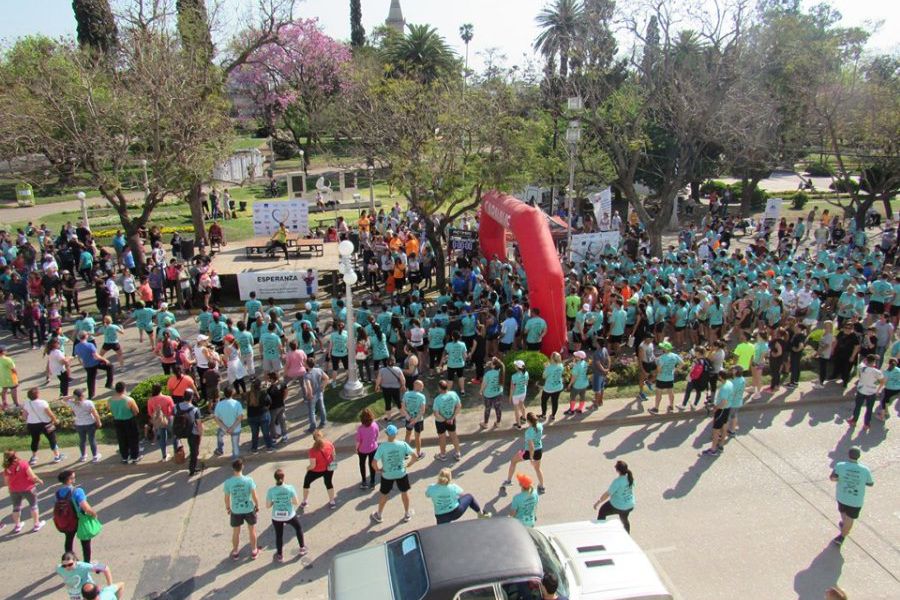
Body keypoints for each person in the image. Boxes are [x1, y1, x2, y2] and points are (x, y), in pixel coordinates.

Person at [370, 424, 419, 523]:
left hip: (387, 475)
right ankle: (407, 514)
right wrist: (409, 464)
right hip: (401, 473)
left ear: (387, 434)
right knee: (404, 493)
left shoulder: (382, 447)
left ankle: (379, 515)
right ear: (396, 433)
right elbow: (415, 456)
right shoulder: (402, 444)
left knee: (384, 495)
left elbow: (373, 463)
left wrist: (378, 470)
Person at [830, 446, 874, 547]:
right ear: (859, 456)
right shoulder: (865, 470)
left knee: (843, 513)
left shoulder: (840, 465)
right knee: (850, 518)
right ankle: (842, 537)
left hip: (842, 496)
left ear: (848, 455)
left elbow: (833, 478)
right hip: (856, 500)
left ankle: (843, 529)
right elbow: (870, 483)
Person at [56, 470, 98, 561]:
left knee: (69, 540)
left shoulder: (59, 492)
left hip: (68, 520)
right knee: (85, 542)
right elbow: (85, 507)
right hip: (79, 519)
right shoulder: (77, 491)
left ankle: (70, 560)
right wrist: (93, 514)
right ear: (69, 480)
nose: (74, 479)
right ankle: (86, 563)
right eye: (73, 477)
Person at [266, 468, 307, 562]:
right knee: (298, 528)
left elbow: (268, 506)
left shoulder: (271, 490)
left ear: (275, 478)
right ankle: (302, 548)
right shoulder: (290, 488)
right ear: (283, 478)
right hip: (289, 515)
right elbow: (296, 502)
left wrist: (274, 502)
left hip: (276, 516)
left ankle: (280, 555)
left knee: (279, 535)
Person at [224, 458, 260, 560]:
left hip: (236, 510)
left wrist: (228, 508)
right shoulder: (249, 480)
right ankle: (254, 551)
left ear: (233, 468)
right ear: (242, 467)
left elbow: (227, 498)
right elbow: (254, 495)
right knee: (252, 529)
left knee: (236, 531)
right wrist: (257, 505)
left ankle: (235, 552)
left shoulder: (228, 482)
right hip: (248, 508)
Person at [425, 468, 490, 524]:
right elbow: (463, 495)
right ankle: (481, 514)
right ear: (449, 478)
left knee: (442, 533)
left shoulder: (431, 488)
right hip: (456, 512)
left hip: (441, 516)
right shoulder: (454, 487)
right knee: (469, 496)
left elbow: (427, 495)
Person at [2, 450, 44, 534]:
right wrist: (39, 480)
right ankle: (36, 524)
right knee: (33, 505)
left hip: (14, 490)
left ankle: (17, 526)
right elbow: (32, 476)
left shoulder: (7, 468)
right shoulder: (23, 463)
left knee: (16, 507)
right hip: (28, 488)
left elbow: (6, 482)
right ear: (15, 456)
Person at [503, 411, 546, 493]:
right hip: (539, 450)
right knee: (538, 469)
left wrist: (531, 459)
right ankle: (541, 486)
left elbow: (531, 447)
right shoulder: (540, 426)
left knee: (513, 461)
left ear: (528, 421)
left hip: (529, 452)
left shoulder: (528, 432)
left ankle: (508, 481)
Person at [22, 387, 64, 465]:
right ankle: (57, 456)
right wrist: (55, 420)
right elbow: (50, 414)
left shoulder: (27, 403)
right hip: (46, 424)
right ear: (37, 394)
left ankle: (34, 457)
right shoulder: (43, 402)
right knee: (52, 439)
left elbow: (24, 416)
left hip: (32, 424)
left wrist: (28, 420)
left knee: (35, 440)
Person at [593, 460, 635, 533]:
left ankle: (600, 531)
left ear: (617, 470)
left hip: (618, 505)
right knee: (624, 519)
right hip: (629, 505)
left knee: (602, 511)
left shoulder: (617, 481)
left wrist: (598, 501)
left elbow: (608, 494)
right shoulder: (630, 478)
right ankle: (627, 535)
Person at [301, 430, 337, 509]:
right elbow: (334, 456)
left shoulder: (312, 451)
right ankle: (332, 502)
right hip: (329, 468)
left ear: (314, 439)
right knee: (328, 483)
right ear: (322, 436)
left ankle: (304, 501)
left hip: (317, 471)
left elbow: (313, 466)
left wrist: (307, 468)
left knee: (306, 483)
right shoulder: (329, 443)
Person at [64, 389, 102, 463]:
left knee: (82, 440)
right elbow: (95, 414)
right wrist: (99, 422)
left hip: (79, 424)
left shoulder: (72, 403)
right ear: (82, 395)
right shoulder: (88, 403)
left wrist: (72, 396)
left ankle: (83, 456)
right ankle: (95, 456)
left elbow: (64, 398)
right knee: (92, 439)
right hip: (90, 423)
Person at [848, 354, 884, 431]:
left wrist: (871, 356)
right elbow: (882, 381)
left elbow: (863, 361)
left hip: (861, 390)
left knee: (858, 407)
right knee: (869, 409)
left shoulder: (861, 368)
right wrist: (877, 387)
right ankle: (866, 424)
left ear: (867, 361)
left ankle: (854, 421)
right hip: (871, 392)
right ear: (874, 362)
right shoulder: (877, 372)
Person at [73, 333, 115, 400]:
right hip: (95, 363)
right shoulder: (90, 345)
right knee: (110, 367)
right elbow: (96, 356)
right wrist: (105, 360)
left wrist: (82, 364)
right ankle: (109, 384)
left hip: (87, 365)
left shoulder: (77, 346)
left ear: (79, 338)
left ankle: (91, 395)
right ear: (86, 337)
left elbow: (79, 357)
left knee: (90, 379)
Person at [703, 370, 734, 456]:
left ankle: (713, 449)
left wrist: (715, 408)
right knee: (724, 426)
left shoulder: (724, 388)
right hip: (727, 409)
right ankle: (721, 445)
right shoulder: (729, 383)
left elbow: (723, 402)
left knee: (716, 431)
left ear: (720, 377)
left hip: (721, 410)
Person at [109, 383, 141, 464]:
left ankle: (124, 457)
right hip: (129, 420)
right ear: (124, 389)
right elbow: (136, 411)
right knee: (133, 439)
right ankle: (134, 457)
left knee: (122, 439)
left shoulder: (110, 400)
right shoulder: (129, 400)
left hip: (117, 421)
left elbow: (111, 410)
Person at [175, 389, 204, 476]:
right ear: (192, 397)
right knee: (194, 451)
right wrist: (200, 433)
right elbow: (198, 424)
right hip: (192, 432)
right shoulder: (195, 409)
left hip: (179, 430)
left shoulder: (176, 406)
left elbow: (173, 417)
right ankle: (192, 469)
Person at [432, 380, 462, 461]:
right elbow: (459, 406)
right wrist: (451, 418)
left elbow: (436, 413)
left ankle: (443, 455)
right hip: (451, 419)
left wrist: (445, 419)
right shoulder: (453, 394)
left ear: (439, 388)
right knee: (454, 436)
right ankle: (458, 453)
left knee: (442, 438)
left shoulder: (437, 399)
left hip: (440, 421)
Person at [147, 383, 178, 462]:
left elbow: (150, 412)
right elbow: (173, 409)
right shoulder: (167, 398)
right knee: (174, 435)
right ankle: (176, 453)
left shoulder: (150, 400)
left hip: (159, 421)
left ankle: (164, 456)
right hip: (168, 419)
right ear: (161, 389)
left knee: (162, 438)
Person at [650, 341, 683, 413]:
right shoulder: (675, 355)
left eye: (662, 348)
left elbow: (659, 370)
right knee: (670, 392)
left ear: (664, 349)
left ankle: (656, 408)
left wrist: (655, 374)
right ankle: (671, 406)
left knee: (659, 393)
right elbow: (682, 363)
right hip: (670, 378)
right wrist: (675, 370)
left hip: (661, 378)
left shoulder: (661, 358)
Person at [214, 386, 243, 459]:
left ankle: (220, 449)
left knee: (219, 434)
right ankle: (236, 462)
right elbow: (239, 418)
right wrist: (232, 428)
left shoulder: (219, 404)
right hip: (235, 429)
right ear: (232, 393)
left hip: (224, 429)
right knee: (235, 446)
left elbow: (216, 419)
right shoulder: (237, 403)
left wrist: (225, 428)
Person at [401, 379, 428, 458]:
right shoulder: (422, 396)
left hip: (408, 419)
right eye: (422, 386)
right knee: (417, 436)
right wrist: (415, 420)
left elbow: (403, 406)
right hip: (418, 420)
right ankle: (419, 453)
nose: (422, 387)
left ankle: (405, 453)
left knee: (408, 434)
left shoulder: (406, 394)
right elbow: (422, 410)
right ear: (417, 386)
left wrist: (408, 417)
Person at [374, 356, 405, 422]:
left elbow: (378, 379)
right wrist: (403, 385)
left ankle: (389, 418)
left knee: (387, 402)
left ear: (386, 362)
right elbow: (403, 379)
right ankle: (403, 415)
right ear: (395, 362)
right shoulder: (398, 369)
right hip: (396, 389)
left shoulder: (382, 370)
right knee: (398, 402)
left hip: (386, 389)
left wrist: (377, 386)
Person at [356, 408, 380, 489]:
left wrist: (357, 449)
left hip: (362, 450)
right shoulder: (375, 425)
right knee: (372, 464)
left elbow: (358, 441)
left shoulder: (360, 428)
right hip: (373, 448)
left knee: (362, 464)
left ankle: (364, 481)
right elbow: (377, 435)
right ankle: (372, 482)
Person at [304, 357, 330, 432]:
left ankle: (313, 428)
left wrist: (310, 394)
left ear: (307, 365)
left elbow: (309, 386)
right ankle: (323, 422)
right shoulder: (319, 370)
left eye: (305, 363)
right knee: (322, 408)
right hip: (320, 393)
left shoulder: (307, 375)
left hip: (313, 395)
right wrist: (323, 387)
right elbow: (327, 378)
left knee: (312, 411)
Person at [480, 356, 505, 428]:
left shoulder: (488, 374)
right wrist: (492, 362)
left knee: (487, 408)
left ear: (494, 365)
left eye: (492, 362)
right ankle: (498, 423)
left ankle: (485, 423)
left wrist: (481, 391)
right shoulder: (501, 371)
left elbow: (484, 384)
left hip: (488, 394)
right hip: (498, 393)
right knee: (498, 408)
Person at [540, 352, 565, 422]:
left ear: (552, 358)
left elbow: (544, 376)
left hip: (549, 388)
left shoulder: (549, 367)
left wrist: (545, 368)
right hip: (558, 387)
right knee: (555, 401)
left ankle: (543, 415)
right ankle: (553, 416)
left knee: (544, 401)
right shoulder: (561, 365)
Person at [510, 359, 529, 429]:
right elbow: (526, 383)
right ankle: (524, 418)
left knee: (516, 410)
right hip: (523, 392)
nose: (514, 366)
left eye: (515, 365)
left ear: (517, 367)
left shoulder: (514, 376)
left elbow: (512, 388)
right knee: (522, 404)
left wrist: (510, 397)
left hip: (516, 395)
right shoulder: (526, 373)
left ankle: (518, 425)